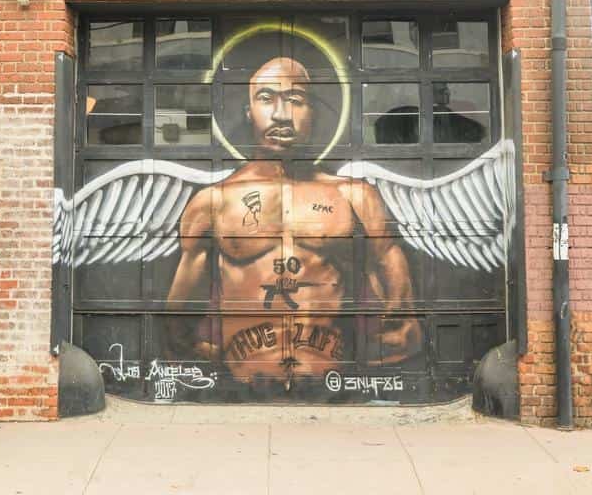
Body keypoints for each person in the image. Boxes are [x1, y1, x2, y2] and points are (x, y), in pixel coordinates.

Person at [167, 57, 422, 388]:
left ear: (312, 112)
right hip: (242, 384)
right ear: (248, 111)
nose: (281, 114)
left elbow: (401, 311)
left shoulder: (354, 197)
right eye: (266, 98)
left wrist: (387, 347)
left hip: (333, 382)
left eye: (295, 100)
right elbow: (178, 314)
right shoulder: (213, 202)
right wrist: (196, 359)